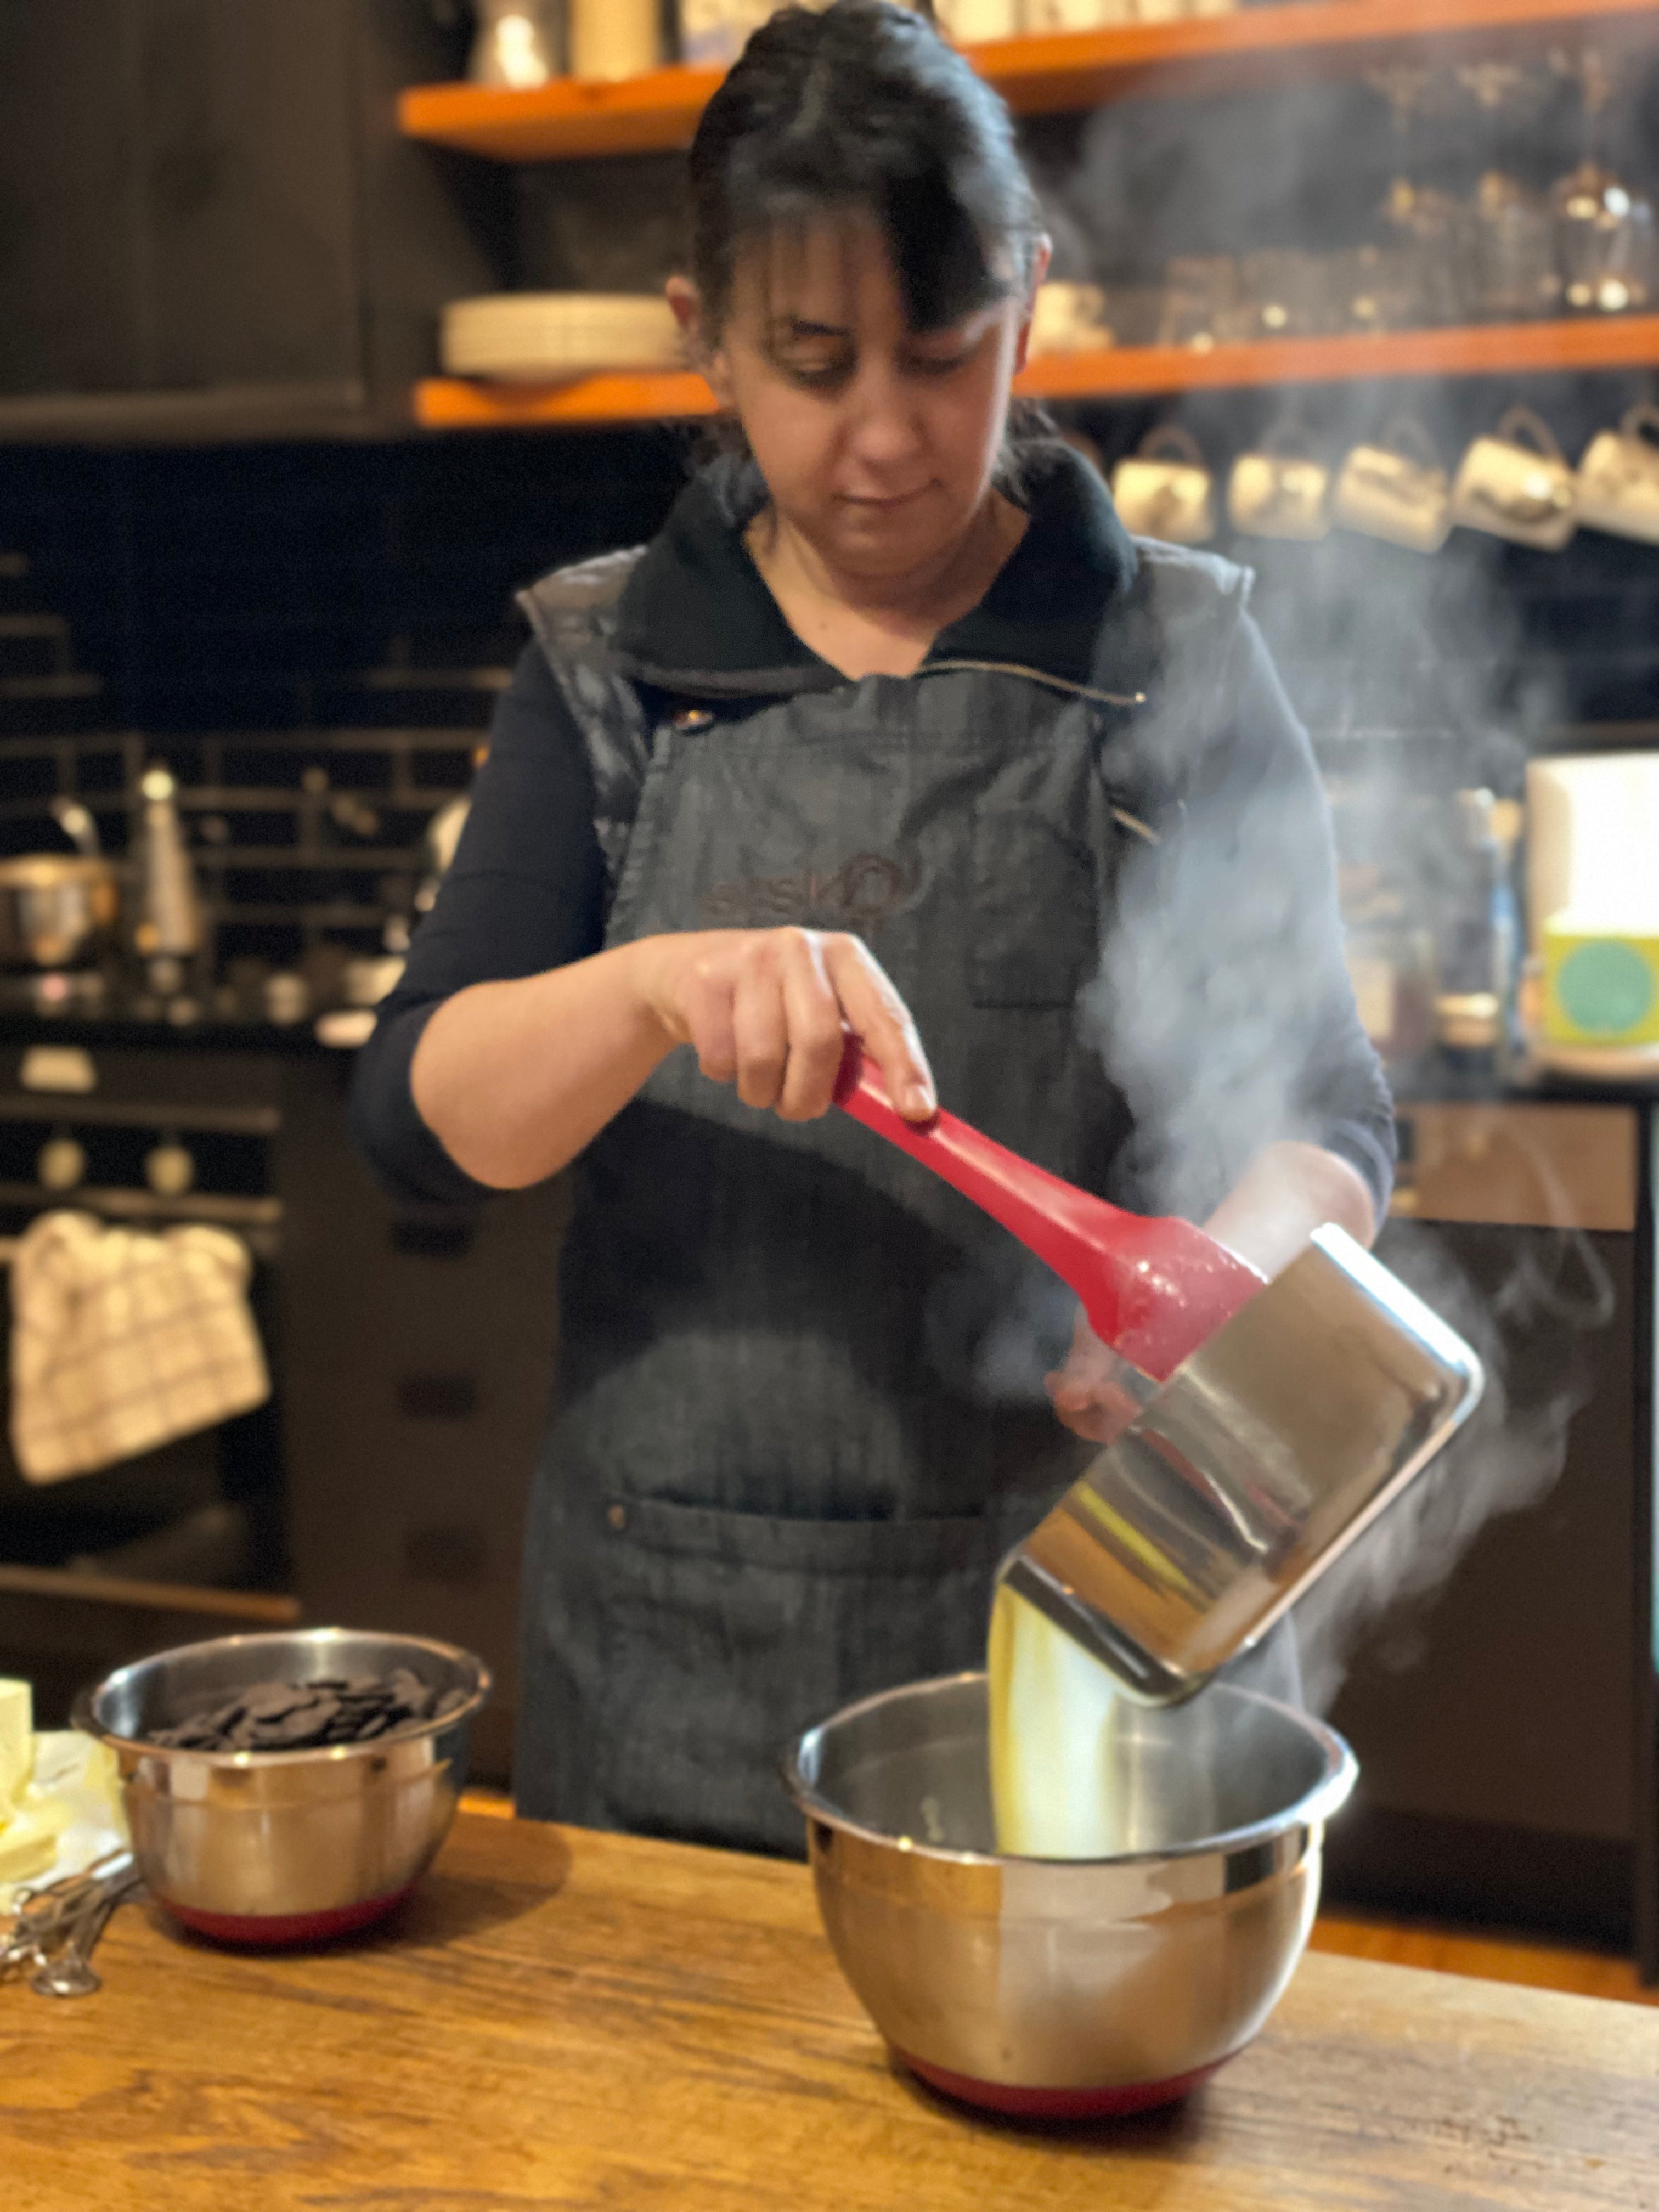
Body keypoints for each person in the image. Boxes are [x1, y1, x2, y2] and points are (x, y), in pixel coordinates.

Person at [351, 2, 1393, 1854]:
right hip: (684, 1651)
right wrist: (661, 985)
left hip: (1094, 1617)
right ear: (709, 340)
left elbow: (1330, 1119)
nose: (893, 439)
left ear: (1032, 301)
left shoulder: (1166, 653)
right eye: (815, 364)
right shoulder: (610, 670)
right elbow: (427, 1128)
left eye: (947, 351)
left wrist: (1221, 1272)